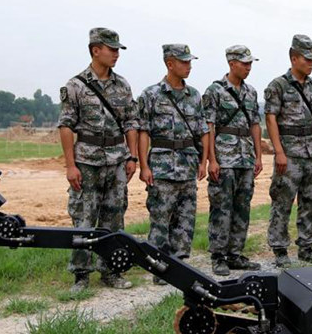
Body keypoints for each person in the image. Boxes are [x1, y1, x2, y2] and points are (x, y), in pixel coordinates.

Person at [58, 27, 139, 292]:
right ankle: (81, 275)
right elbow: (66, 126)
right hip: (87, 162)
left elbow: (131, 122)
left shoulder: (123, 85)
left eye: (117, 49)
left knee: (114, 218)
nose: (116, 54)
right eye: (112, 49)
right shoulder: (76, 86)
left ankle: (111, 271)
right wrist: (70, 166)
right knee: (83, 218)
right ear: (96, 50)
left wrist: (133, 156)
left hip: (116, 160)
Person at [138, 44, 208, 283]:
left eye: (190, 62)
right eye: (184, 62)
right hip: (162, 167)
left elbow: (202, 131)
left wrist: (203, 161)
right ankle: (158, 270)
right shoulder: (151, 95)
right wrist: (144, 166)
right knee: (160, 220)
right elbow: (143, 132)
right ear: (170, 63)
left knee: (185, 221)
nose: (189, 66)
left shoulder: (195, 96)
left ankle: (179, 269)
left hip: (188, 165)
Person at [264, 34, 312, 267]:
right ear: (293, 58)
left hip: (310, 153)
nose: (311, 63)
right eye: (307, 58)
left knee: (311, 201)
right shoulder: (278, 85)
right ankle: (280, 248)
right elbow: (270, 119)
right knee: (282, 201)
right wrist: (278, 151)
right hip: (289, 154)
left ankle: (307, 246)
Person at [202, 45, 264, 276]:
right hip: (224, 158)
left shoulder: (251, 92)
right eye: (244, 63)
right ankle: (218, 256)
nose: (248, 67)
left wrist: (258, 156)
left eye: (250, 63)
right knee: (221, 208)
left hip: (245, 158)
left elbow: (255, 125)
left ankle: (235, 254)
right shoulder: (215, 91)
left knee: (242, 208)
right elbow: (208, 126)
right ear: (231, 63)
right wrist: (212, 160)